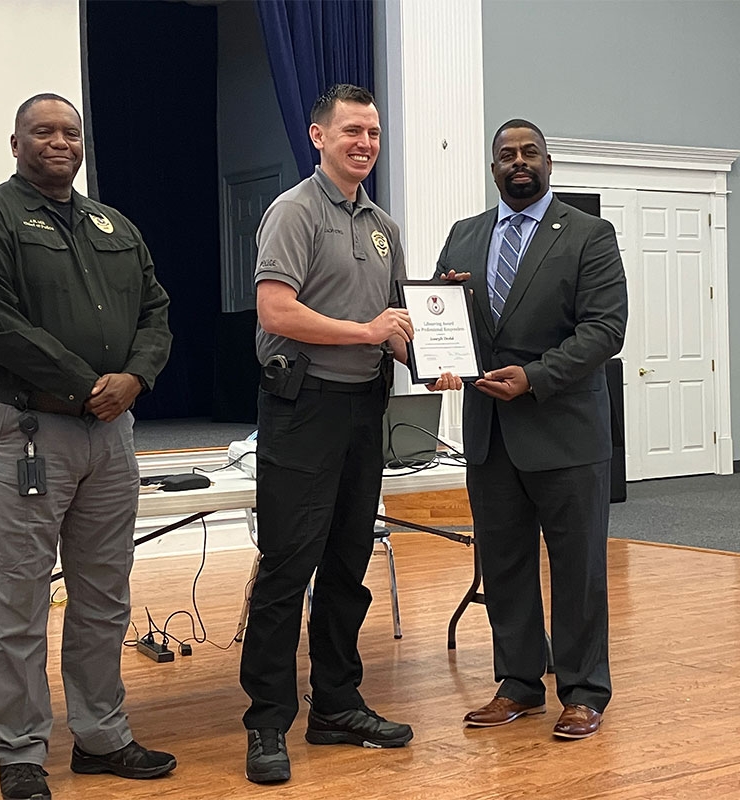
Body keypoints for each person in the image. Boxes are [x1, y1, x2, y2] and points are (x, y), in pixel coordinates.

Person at [0, 94, 175, 800]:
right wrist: (86, 386)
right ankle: (19, 752)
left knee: (105, 596)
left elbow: (156, 311)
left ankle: (101, 736)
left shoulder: (115, 224)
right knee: (19, 601)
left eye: (70, 132)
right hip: (32, 433)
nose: (59, 142)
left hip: (113, 436)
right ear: (15, 142)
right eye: (42, 131)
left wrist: (135, 378)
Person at [240, 83, 460, 784]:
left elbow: (395, 325)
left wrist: (436, 362)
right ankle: (267, 720)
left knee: (347, 566)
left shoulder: (382, 226)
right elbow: (276, 310)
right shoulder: (293, 212)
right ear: (318, 137)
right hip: (304, 409)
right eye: (352, 132)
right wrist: (366, 332)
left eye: (373, 132)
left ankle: (335, 704)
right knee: (287, 568)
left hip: (366, 410)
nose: (364, 143)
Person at [435, 119, 628, 740]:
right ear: (493, 167)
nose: (518, 162)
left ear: (547, 161)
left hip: (565, 430)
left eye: (529, 153)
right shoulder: (464, 236)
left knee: (577, 568)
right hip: (489, 432)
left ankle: (583, 690)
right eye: (505, 155)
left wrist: (536, 377)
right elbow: (440, 318)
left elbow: (604, 330)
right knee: (506, 563)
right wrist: (440, 357)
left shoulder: (588, 236)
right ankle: (519, 684)